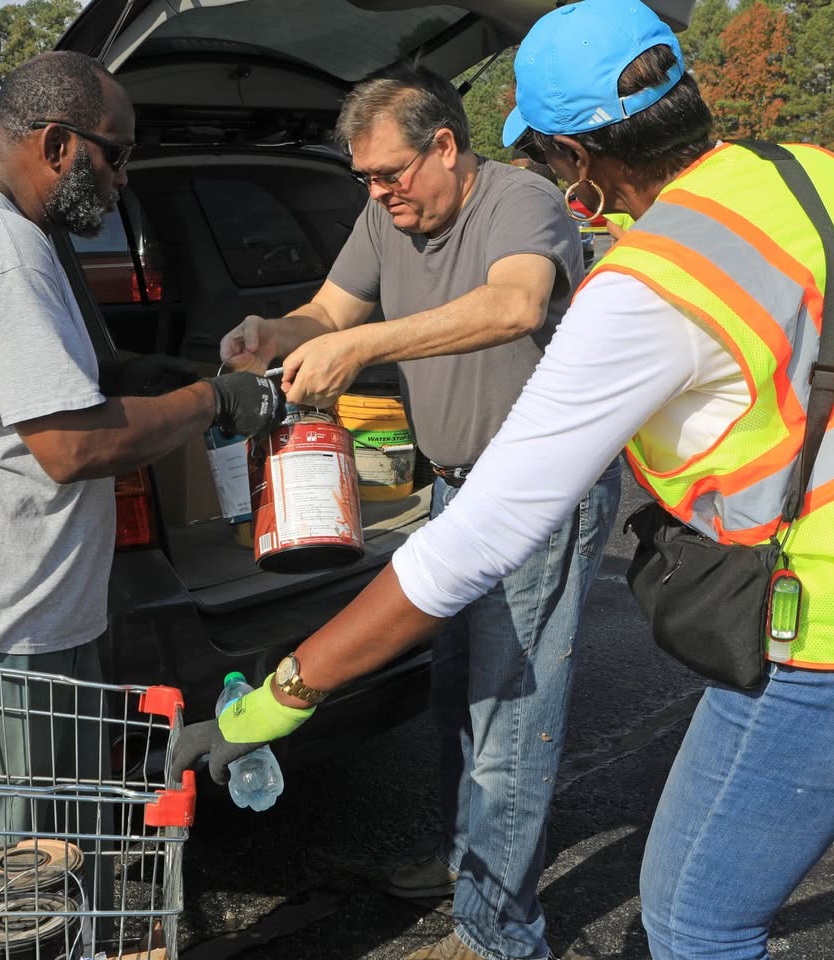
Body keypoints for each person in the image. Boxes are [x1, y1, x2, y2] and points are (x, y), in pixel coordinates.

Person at [181, 2, 834, 958]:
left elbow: (479, 536)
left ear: (575, 161)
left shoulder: (649, 282)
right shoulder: (823, 173)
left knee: (696, 920)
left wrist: (279, 696)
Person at [0, 50, 284, 952]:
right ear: (60, 145)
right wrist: (213, 404)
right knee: (11, 896)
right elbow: (75, 445)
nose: (126, 177)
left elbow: (94, 380)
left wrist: (200, 375)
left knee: (42, 876)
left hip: (27, 622)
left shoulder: (23, 237)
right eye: (118, 155)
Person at [218, 63, 621, 960]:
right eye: (364, 179)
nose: (379, 194)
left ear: (446, 145)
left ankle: (499, 935)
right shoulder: (383, 214)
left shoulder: (522, 202)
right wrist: (271, 335)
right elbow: (328, 308)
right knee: (454, 696)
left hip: (541, 493)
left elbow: (513, 305)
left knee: (508, 712)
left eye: (391, 174)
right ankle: (460, 861)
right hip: (452, 485)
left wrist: (365, 344)